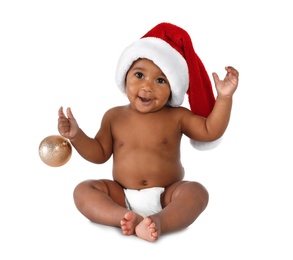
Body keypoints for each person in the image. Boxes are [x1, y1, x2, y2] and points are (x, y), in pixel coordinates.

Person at [58, 22, 239, 242]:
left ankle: (161, 221)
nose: (148, 87)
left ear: (172, 88)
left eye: (160, 80)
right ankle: (124, 217)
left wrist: (225, 98)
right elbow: (99, 154)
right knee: (83, 191)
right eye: (139, 75)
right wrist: (77, 136)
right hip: (120, 194)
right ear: (125, 76)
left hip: (167, 196)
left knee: (197, 192)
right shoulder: (113, 116)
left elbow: (211, 131)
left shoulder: (177, 116)